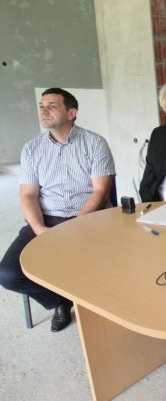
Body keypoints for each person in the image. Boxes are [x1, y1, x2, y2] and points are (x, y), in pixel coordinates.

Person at [0, 88, 115, 332]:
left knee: (99, 266)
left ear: (72, 113)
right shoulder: (31, 148)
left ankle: (95, 305)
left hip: (87, 219)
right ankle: (61, 301)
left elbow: (100, 192)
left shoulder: (95, 143)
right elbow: (28, 195)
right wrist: (39, 229)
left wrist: (75, 227)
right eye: (41, 106)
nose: (44, 110)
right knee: (8, 274)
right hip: (47, 220)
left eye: (52, 105)